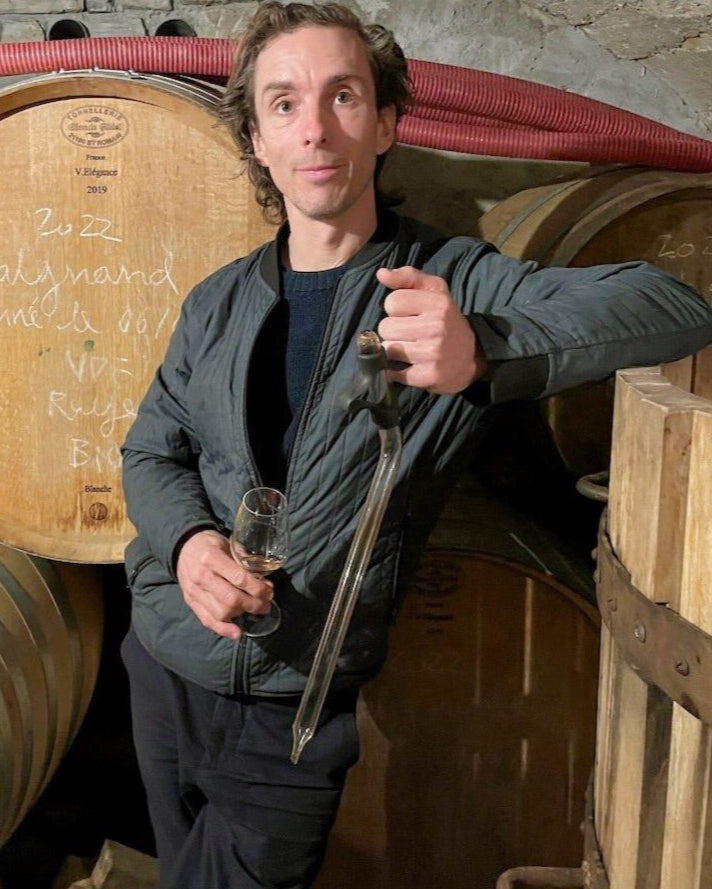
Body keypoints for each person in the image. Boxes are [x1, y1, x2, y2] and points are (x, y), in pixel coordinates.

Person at [120, 3, 712, 887]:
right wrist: (189, 542)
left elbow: (678, 307)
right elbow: (150, 454)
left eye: (344, 96)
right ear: (256, 139)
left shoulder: (449, 281)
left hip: (291, 711)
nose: (315, 127)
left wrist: (485, 344)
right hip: (159, 665)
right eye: (283, 104)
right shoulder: (218, 300)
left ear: (389, 121)